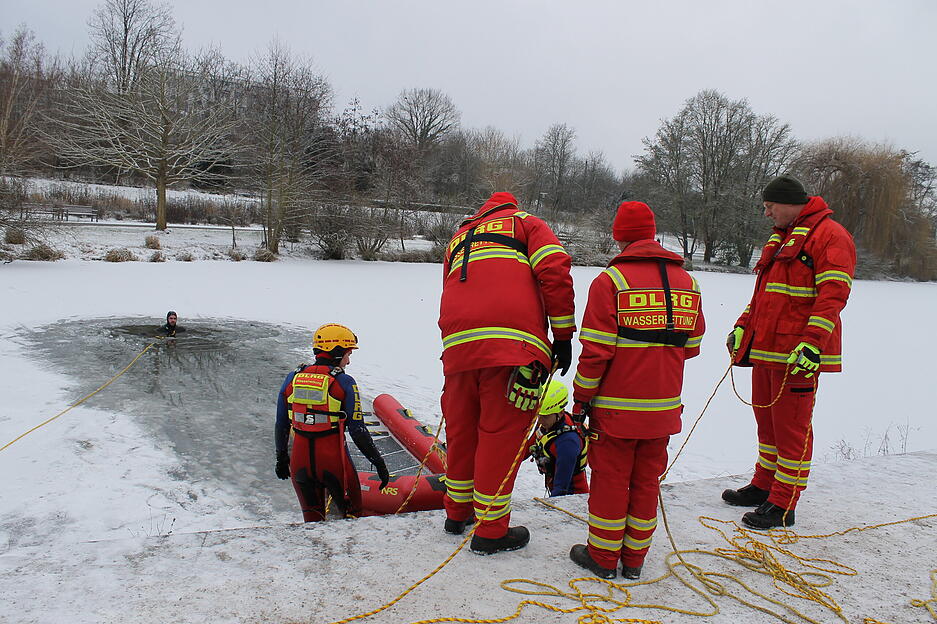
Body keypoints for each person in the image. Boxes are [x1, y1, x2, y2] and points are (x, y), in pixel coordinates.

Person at [568, 201, 704, 580]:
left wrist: (580, 399)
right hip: (663, 408)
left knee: (611, 480)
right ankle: (634, 560)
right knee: (646, 482)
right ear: (652, 233)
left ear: (618, 235)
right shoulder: (688, 282)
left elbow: (595, 352)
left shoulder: (610, 282)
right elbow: (691, 346)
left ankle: (603, 559)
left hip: (615, 409)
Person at [438, 191, 576, 555]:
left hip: (458, 350)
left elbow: (449, 290)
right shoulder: (526, 223)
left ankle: (457, 514)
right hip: (514, 350)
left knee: (463, 431)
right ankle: (491, 532)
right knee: (499, 438)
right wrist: (562, 337)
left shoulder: (459, 236)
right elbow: (555, 270)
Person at [723, 174, 855, 529]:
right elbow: (764, 297)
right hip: (767, 349)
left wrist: (813, 343)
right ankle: (763, 486)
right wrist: (741, 325)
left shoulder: (831, 236)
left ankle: (783, 503)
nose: (766, 214)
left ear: (789, 203)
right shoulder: (783, 238)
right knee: (767, 424)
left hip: (797, 354)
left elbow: (833, 297)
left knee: (791, 429)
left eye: (770, 206)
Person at [274, 323, 390, 522]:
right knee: (352, 518)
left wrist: (282, 458)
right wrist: (378, 462)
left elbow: (281, 423)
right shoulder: (344, 382)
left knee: (311, 522)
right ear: (336, 352)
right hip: (335, 463)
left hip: (300, 464)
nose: (348, 361)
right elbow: (358, 429)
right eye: (348, 354)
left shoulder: (293, 377)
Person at [527, 379, 589, 497]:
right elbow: (525, 449)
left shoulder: (567, 442)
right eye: (538, 414)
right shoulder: (547, 422)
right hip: (556, 486)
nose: (539, 420)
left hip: (573, 496)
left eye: (544, 416)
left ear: (560, 413)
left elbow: (561, 487)